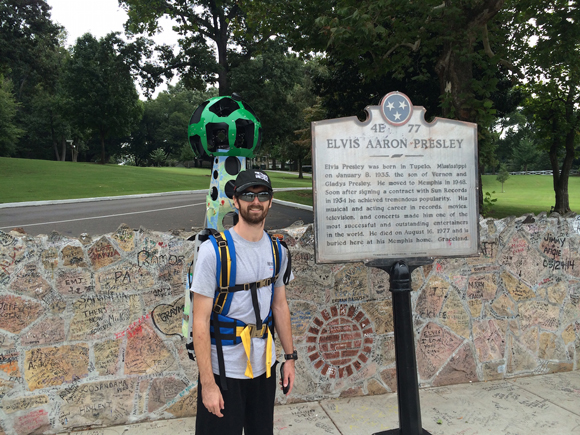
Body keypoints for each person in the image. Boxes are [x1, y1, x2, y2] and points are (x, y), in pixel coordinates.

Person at [191, 169, 297, 435]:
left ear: (271, 202)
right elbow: (200, 321)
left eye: (263, 195)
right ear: (235, 201)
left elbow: (279, 305)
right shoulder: (213, 251)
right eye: (248, 194)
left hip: (264, 368)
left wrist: (290, 358)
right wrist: (208, 384)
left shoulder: (278, 250)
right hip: (224, 372)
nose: (256, 201)